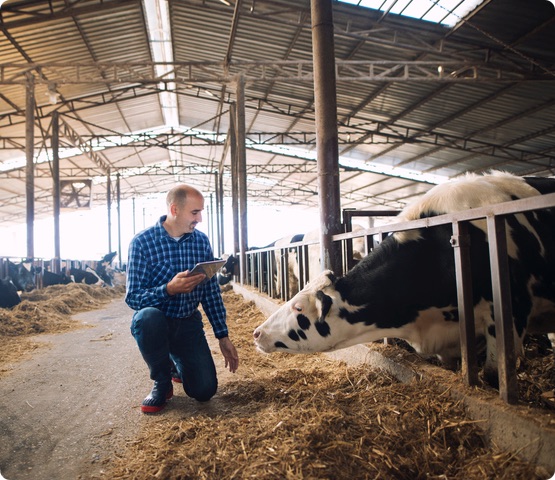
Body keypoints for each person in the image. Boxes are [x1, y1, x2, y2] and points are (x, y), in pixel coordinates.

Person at [125, 184, 239, 413]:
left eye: (201, 211)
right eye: (195, 212)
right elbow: (133, 298)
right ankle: (162, 381)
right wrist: (168, 289)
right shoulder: (142, 243)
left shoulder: (201, 242)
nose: (200, 219)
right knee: (147, 317)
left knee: (204, 391)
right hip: (158, 322)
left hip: (188, 323)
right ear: (175, 209)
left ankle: (177, 362)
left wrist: (222, 335)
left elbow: (210, 291)